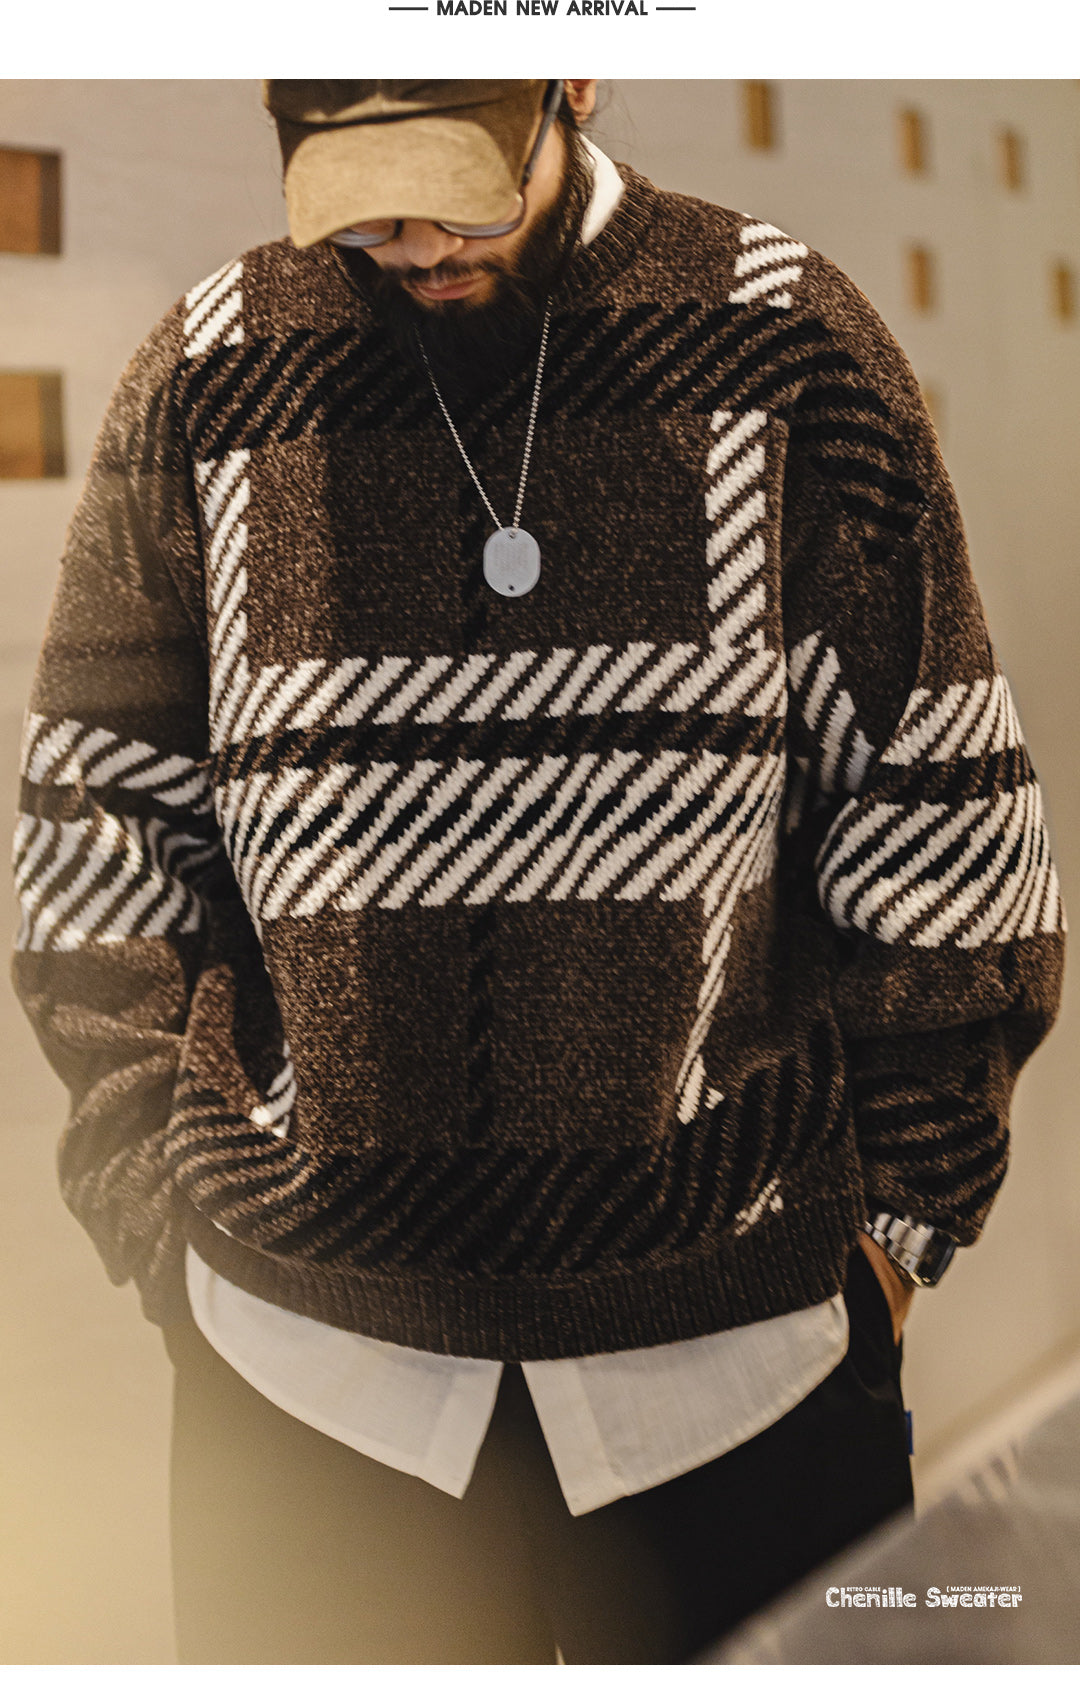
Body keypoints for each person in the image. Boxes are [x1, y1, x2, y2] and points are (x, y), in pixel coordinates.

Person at [11, 79, 1065, 1663]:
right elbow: (98, 815)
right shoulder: (210, 368)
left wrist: (900, 1231)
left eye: (458, 189)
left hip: (743, 1367)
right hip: (305, 1384)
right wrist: (150, 1206)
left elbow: (939, 803)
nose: (416, 242)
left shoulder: (787, 343)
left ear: (571, 78)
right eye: (360, 202)